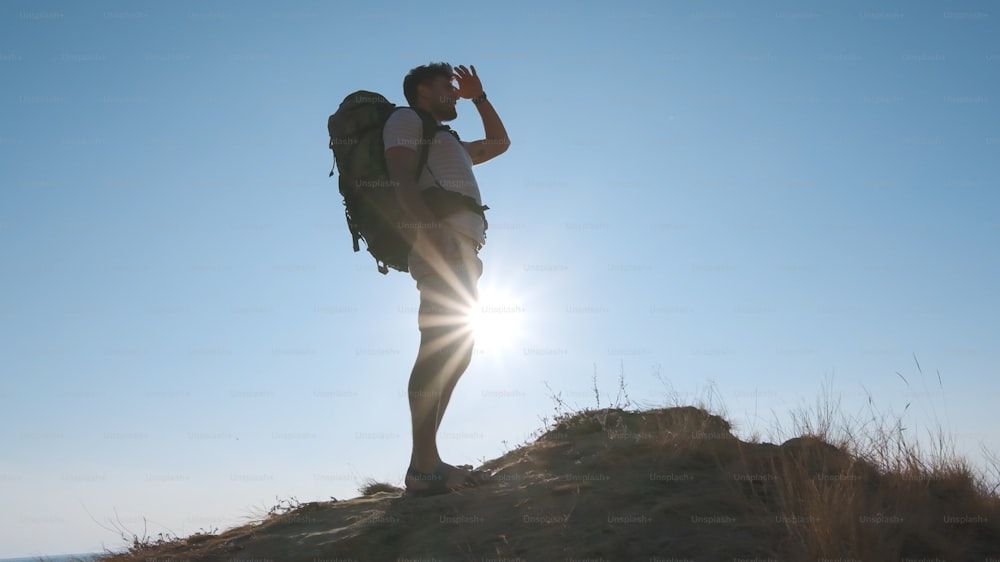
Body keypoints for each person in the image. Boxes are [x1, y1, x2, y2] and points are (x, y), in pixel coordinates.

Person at [383, 62, 510, 495]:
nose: (453, 95)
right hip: (441, 244)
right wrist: (430, 234)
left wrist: (480, 98)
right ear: (421, 90)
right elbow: (400, 177)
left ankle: (426, 461)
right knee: (439, 347)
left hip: (463, 248)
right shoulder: (406, 120)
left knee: (458, 348)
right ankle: (423, 467)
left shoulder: (446, 138)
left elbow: (499, 143)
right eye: (447, 87)